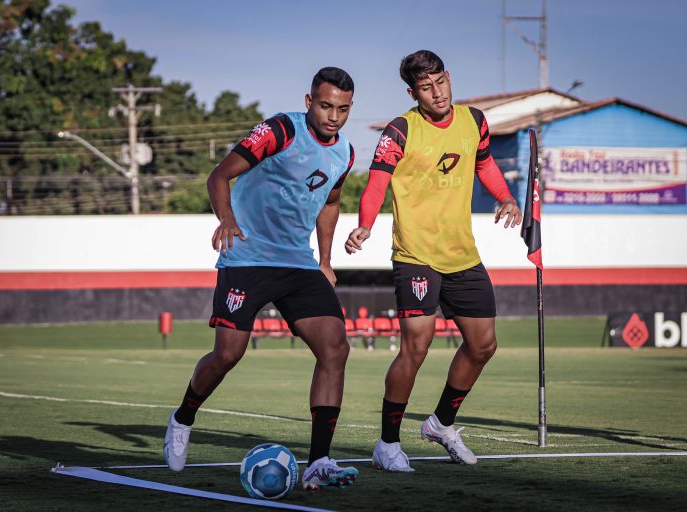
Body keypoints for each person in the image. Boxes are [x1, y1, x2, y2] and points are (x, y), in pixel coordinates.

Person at [164, 67, 358, 491]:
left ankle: (320, 461)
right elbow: (219, 174)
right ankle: (183, 418)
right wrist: (227, 219)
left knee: (335, 349)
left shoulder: (345, 152)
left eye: (342, 109)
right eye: (325, 106)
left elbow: (330, 203)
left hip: (299, 265)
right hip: (248, 258)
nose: (333, 117)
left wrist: (325, 260)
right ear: (309, 102)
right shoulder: (280, 130)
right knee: (228, 355)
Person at [344, 50, 522, 472]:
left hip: (463, 255)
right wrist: (365, 225)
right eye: (426, 87)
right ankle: (387, 444)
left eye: (440, 81)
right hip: (416, 256)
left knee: (483, 346)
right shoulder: (399, 130)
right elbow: (376, 184)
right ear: (413, 92)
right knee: (416, 348)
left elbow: (486, 164)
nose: (437, 92)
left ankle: (441, 423)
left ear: (448, 77)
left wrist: (506, 197)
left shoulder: (474, 120)